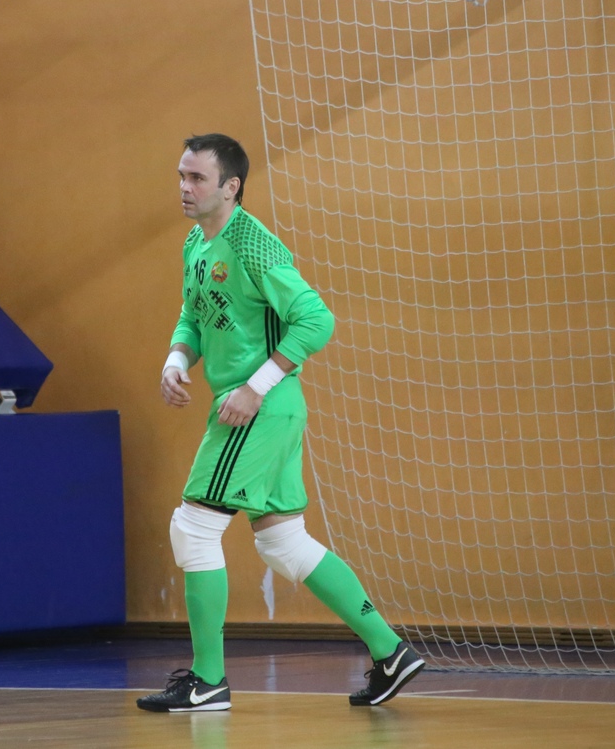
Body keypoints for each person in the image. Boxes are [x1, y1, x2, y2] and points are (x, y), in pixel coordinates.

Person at [136, 133, 424, 714]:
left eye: (197, 178)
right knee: (282, 542)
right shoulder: (196, 242)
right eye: (181, 176)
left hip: (260, 407)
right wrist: (175, 359)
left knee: (193, 529)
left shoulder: (254, 244)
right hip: (267, 408)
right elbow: (194, 313)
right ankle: (390, 651)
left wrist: (254, 387)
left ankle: (207, 682)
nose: (184, 187)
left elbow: (316, 320)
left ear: (231, 187)